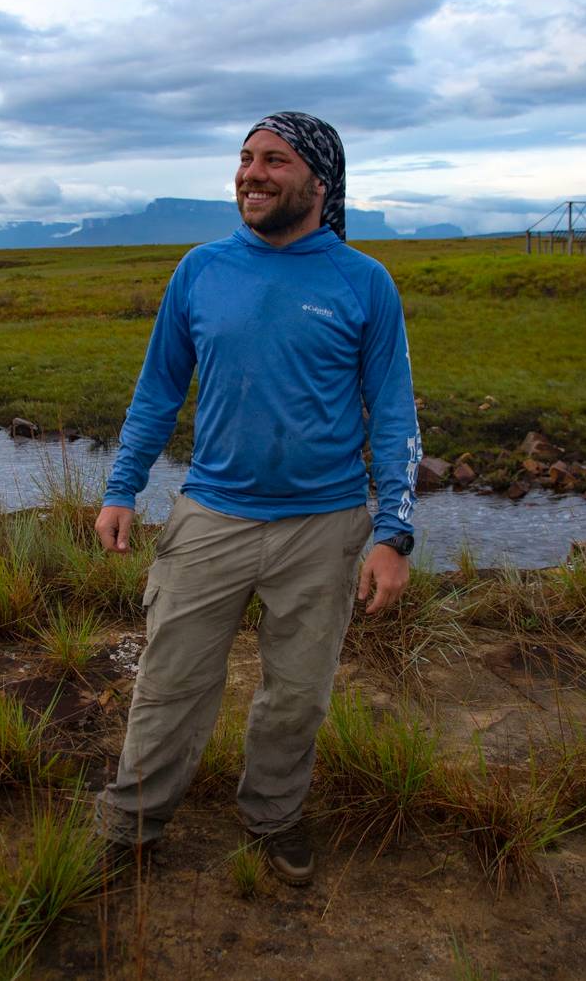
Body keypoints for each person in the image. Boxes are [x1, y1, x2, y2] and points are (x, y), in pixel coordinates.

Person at [94, 111, 421, 884]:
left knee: (297, 696)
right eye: (245, 158)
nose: (253, 173)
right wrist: (121, 486)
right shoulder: (201, 271)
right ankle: (132, 825)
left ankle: (274, 817)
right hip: (211, 514)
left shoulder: (363, 282)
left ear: (318, 180)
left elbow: (397, 411)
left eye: (275, 159)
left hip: (327, 524)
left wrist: (393, 530)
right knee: (170, 681)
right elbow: (157, 392)